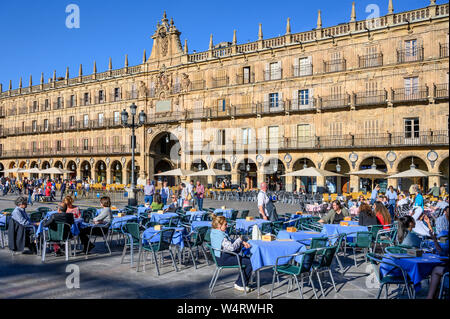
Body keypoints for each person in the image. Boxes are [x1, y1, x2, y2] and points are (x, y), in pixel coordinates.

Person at [210, 214, 253, 292]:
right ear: (219, 225)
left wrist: (242, 242)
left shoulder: (215, 232)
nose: (227, 226)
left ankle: (242, 282)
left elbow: (229, 241)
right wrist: (240, 239)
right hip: (223, 259)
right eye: (225, 224)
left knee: (245, 260)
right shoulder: (220, 236)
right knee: (249, 262)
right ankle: (240, 284)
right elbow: (232, 248)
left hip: (220, 257)